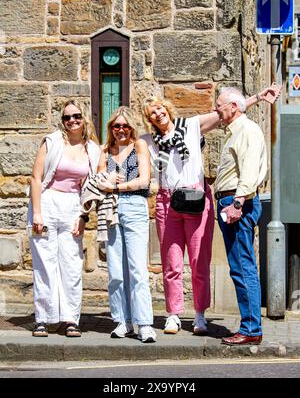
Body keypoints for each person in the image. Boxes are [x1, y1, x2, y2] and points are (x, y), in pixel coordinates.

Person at [141, 86, 276, 336]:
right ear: (149, 119)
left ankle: (201, 314)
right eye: (151, 113)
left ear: (167, 109)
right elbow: (124, 145)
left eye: (159, 109)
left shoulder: (190, 126)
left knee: (198, 261)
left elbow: (229, 109)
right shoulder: (149, 141)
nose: (157, 114)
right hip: (167, 202)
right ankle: (173, 314)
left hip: (195, 198)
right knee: (171, 263)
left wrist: (258, 97)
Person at [28, 99, 100, 338]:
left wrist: (83, 216)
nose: (72, 121)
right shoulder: (52, 142)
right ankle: (43, 319)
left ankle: (70, 319)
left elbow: (93, 188)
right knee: (45, 264)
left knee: (71, 265)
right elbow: (36, 178)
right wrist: (37, 212)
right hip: (47, 202)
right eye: (67, 117)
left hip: (73, 205)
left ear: (84, 117)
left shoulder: (92, 149)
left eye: (76, 116)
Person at [214, 87, 270, 346]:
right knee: (240, 266)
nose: (217, 110)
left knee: (243, 266)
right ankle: (250, 327)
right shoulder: (237, 131)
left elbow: (248, 171)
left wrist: (237, 202)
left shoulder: (246, 130)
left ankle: (251, 329)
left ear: (233, 107)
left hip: (238, 203)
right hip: (233, 201)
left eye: (220, 105)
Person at [97, 106, 156, 343]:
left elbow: (144, 180)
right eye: (116, 126)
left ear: (132, 127)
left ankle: (144, 324)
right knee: (115, 271)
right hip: (111, 209)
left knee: (137, 269)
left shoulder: (139, 145)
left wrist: (116, 186)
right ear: (111, 128)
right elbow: (100, 180)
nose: (121, 130)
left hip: (134, 206)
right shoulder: (104, 150)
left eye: (125, 126)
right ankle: (122, 321)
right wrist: (108, 183)